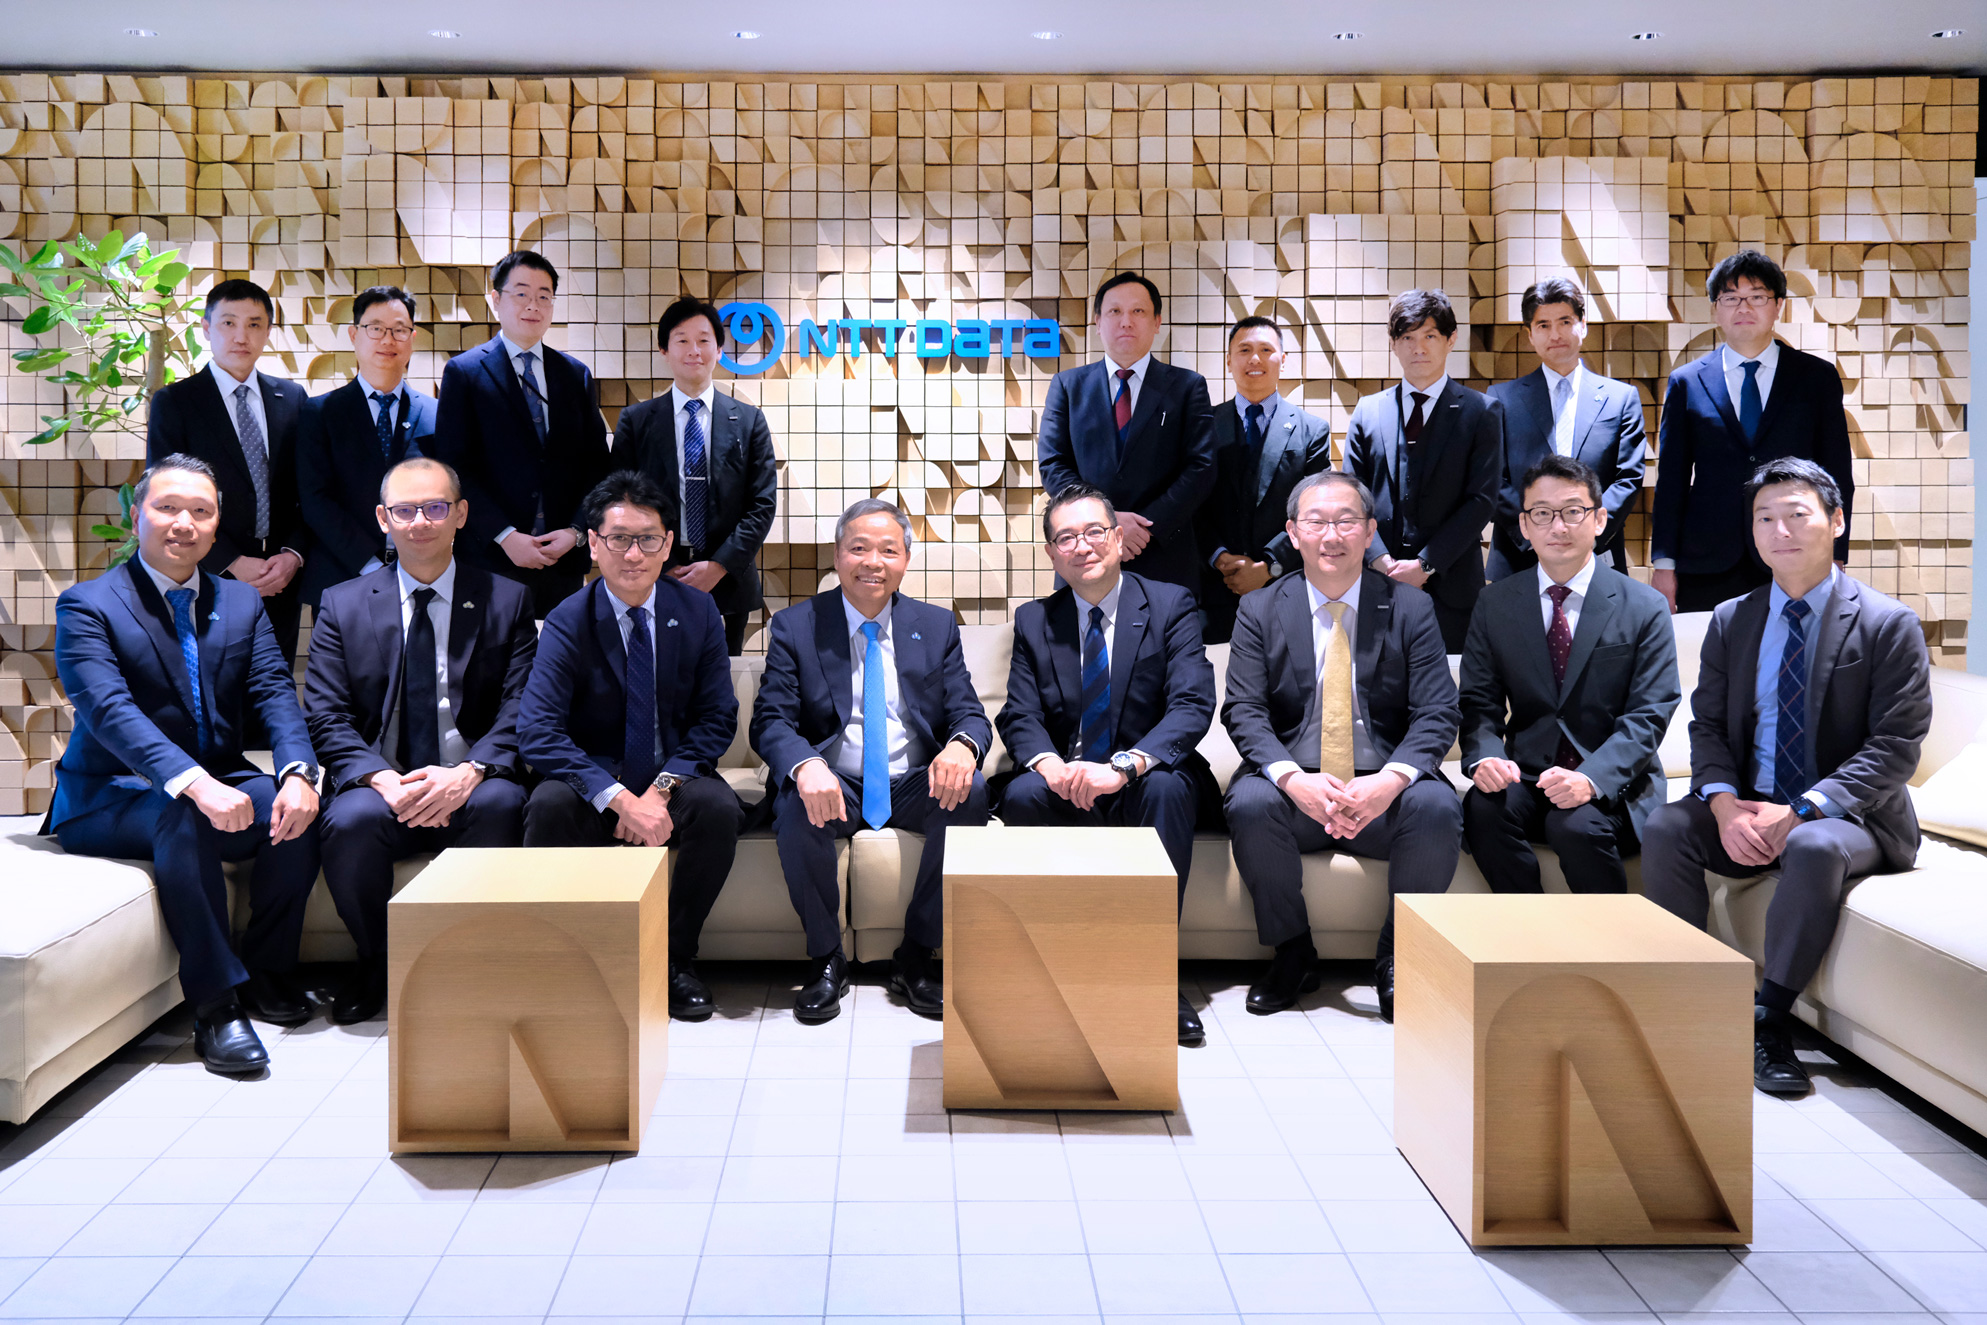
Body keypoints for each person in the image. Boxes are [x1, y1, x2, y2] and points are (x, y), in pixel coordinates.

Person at [1642, 457, 1930, 1098]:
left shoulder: (1888, 624)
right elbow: (1707, 726)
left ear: (1836, 521)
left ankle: (1769, 1022)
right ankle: (1684, 997)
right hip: (1751, 805)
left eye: (1797, 514)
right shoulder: (1732, 619)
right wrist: (1723, 806)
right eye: (1764, 518)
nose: (1780, 531)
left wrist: (1800, 811)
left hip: (1851, 818)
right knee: (1667, 825)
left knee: (1813, 844)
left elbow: (1895, 747)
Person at [48, 456, 321, 1075]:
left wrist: (298, 774)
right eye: (167, 507)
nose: (184, 523)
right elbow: (110, 711)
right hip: (110, 795)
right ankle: (216, 1007)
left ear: (216, 524)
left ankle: (268, 971)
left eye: (201, 511)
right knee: (183, 809)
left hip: (218, 775)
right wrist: (196, 784)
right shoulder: (87, 605)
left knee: (298, 809)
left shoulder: (241, 602)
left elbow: (275, 692)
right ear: (136, 516)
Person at [1221, 471, 1462, 1023]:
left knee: (1436, 805)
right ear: (1292, 533)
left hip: (1383, 786)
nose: (1331, 535)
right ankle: (1292, 953)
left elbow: (1437, 712)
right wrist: (1294, 780)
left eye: (1346, 521)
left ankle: (1398, 959)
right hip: (1298, 786)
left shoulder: (1410, 607)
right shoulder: (1259, 609)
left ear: (1370, 531)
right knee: (1251, 802)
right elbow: (1243, 711)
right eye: (1316, 522)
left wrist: (1389, 782)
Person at [301, 458, 536, 1025]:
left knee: (504, 804)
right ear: (383, 519)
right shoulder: (341, 602)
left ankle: (467, 963)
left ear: (461, 514)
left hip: (472, 778)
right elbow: (326, 714)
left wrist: (470, 772)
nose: (420, 522)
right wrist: (381, 779)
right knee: (350, 820)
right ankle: (378, 962)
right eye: (404, 510)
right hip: (381, 781)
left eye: (434, 507)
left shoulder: (508, 598)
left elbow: (522, 706)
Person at [751, 498, 992, 1024]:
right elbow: (770, 720)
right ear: (838, 555)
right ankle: (826, 960)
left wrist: (962, 746)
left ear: (906, 559)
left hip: (910, 781)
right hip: (834, 780)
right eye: (858, 548)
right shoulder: (796, 626)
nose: (872, 562)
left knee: (972, 791)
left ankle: (917, 955)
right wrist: (805, 765)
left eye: (888, 550)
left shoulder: (935, 625)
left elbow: (970, 713)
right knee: (794, 803)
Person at [515, 471, 745, 1022]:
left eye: (648, 539)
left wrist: (658, 793)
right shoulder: (568, 619)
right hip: (595, 780)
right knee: (546, 806)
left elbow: (717, 719)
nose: (634, 554)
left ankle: (674, 957)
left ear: (668, 544)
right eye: (619, 539)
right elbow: (538, 730)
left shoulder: (699, 613)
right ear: (594, 544)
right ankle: (573, 959)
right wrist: (618, 798)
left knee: (717, 808)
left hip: (672, 776)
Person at [996, 483, 1216, 1045]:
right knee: (1021, 796)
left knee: (1167, 789)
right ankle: (1055, 963)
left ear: (1119, 539)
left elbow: (1191, 705)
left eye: (1094, 531)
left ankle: (1156, 973)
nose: (1083, 545)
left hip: (1144, 775)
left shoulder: (1170, 604)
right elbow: (1019, 714)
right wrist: (1049, 767)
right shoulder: (1034, 620)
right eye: (1066, 537)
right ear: (1052, 554)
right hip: (1068, 776)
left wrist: (1122, 768)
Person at [1460, 454, 1680, 895]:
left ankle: (1607, 938)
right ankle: (1530, 928)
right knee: (1482, 810)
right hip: (1527, 775)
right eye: (1542, 513)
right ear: (1524, 526)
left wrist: (1592, 779)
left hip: (1614, 781)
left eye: (1573, 511)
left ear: (1599, 520)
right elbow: (1479, 701)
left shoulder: (1645, 606)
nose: (1558, 527)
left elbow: (1650, 713)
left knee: (1575, 827)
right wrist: (1485, 757)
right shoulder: (1495, 603)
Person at [1651, 250, 1854, 614]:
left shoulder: (1816, 378)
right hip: (1707, 560)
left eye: (1757, 297)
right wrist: (1664, 564)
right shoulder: (1687, 381)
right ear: (1716, 309)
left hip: (1794, 554)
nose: (1743, 308)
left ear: (1778, 306)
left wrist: (1836, 554)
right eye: (1731, 298)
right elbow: (1672, 481)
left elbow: (1836, 473)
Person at [431, 250, 611, 618]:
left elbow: (596, 465)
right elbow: (453, 467)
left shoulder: (574, 374)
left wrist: (576, 531)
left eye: (544, 296)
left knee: (560, 653)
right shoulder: (464, 373)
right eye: (522, 294)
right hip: (491, 557)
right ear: (496, 299)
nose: (533, 305)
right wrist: (504, 535)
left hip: (561, 560)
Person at [145, 279, 310, 660]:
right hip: (207, 576)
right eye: (228, 323)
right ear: (206, 328)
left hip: (280, 579)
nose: (241, 336)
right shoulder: (176, 402)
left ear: (268, 331)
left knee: (274, 684)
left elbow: (308, 487)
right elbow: (167, 496)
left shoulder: (292, 399)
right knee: (210, 684)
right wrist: (232, 562)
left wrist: (293, 555)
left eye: (254, 324)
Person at [609, 295, 779, 655]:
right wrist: (662, 563)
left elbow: (762, 505)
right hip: (654, 574)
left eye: (704, 340)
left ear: (719, 349)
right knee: (657, 670)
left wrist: (718, 566)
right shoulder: (636, 422)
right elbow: (619, 501)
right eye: (682, 340)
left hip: (728, 580)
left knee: (724, 676)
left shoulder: (749, 421)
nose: (694, 350)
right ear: (664, 350)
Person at [1037, 271, 1216, 599]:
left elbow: (1201, 467)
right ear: (1098, 322)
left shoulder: (1188, 386)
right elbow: (1053, 464)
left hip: (1163, 555)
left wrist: (1145, 527)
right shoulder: (1068, 386)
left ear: (1157, 321)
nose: (1126, 322)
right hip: (1086, 553)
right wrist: (1104, 522)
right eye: (1115, 311)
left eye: (1138, 311)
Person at [1342, 288, 1502, 653]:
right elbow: (1351, 496)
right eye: (1407, 338)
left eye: (1430, 336)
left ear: (1451, 340)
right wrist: (1378, 559)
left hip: (1452, 586)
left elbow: (1482, 500)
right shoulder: (1368, 411)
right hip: (1375, 582)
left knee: (1449, 683)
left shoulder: (1481, 411)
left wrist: (1425, 565)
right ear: (1393, 344)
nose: (1419, 348)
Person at [1484, 278, 1648, 580]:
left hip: (1597, 555)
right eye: (1543, 325)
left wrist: (1587, 535)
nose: (1555, 334)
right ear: (1529, 334)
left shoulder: (1621, 398)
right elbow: (1493, 478)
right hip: (1520, 559)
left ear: (1583, 326)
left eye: (1565, 322)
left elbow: (1628, 477)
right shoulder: (1501, 399)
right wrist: (1536, 534)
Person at [296, 285, 438, 606]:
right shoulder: (319, 413)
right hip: (341, 577)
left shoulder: (435, 414)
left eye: (399, 330)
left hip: (419, 576)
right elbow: (315, 499)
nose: (388, 340)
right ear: (354, 335)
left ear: (412, 338)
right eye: (375, 328)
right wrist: (371, 565)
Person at [1195, 316, 1333, 644]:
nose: (1255, 359)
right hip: (1214, 590)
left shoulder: (1312, 430)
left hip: (1286, 588)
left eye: (1266, 350)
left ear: (1282, 360)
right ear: (1229, 360)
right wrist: (1219, 556)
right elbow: (1192, 503)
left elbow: (1314, 512)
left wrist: (1270, 566)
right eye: (1244, 350)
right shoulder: (1201, 426)